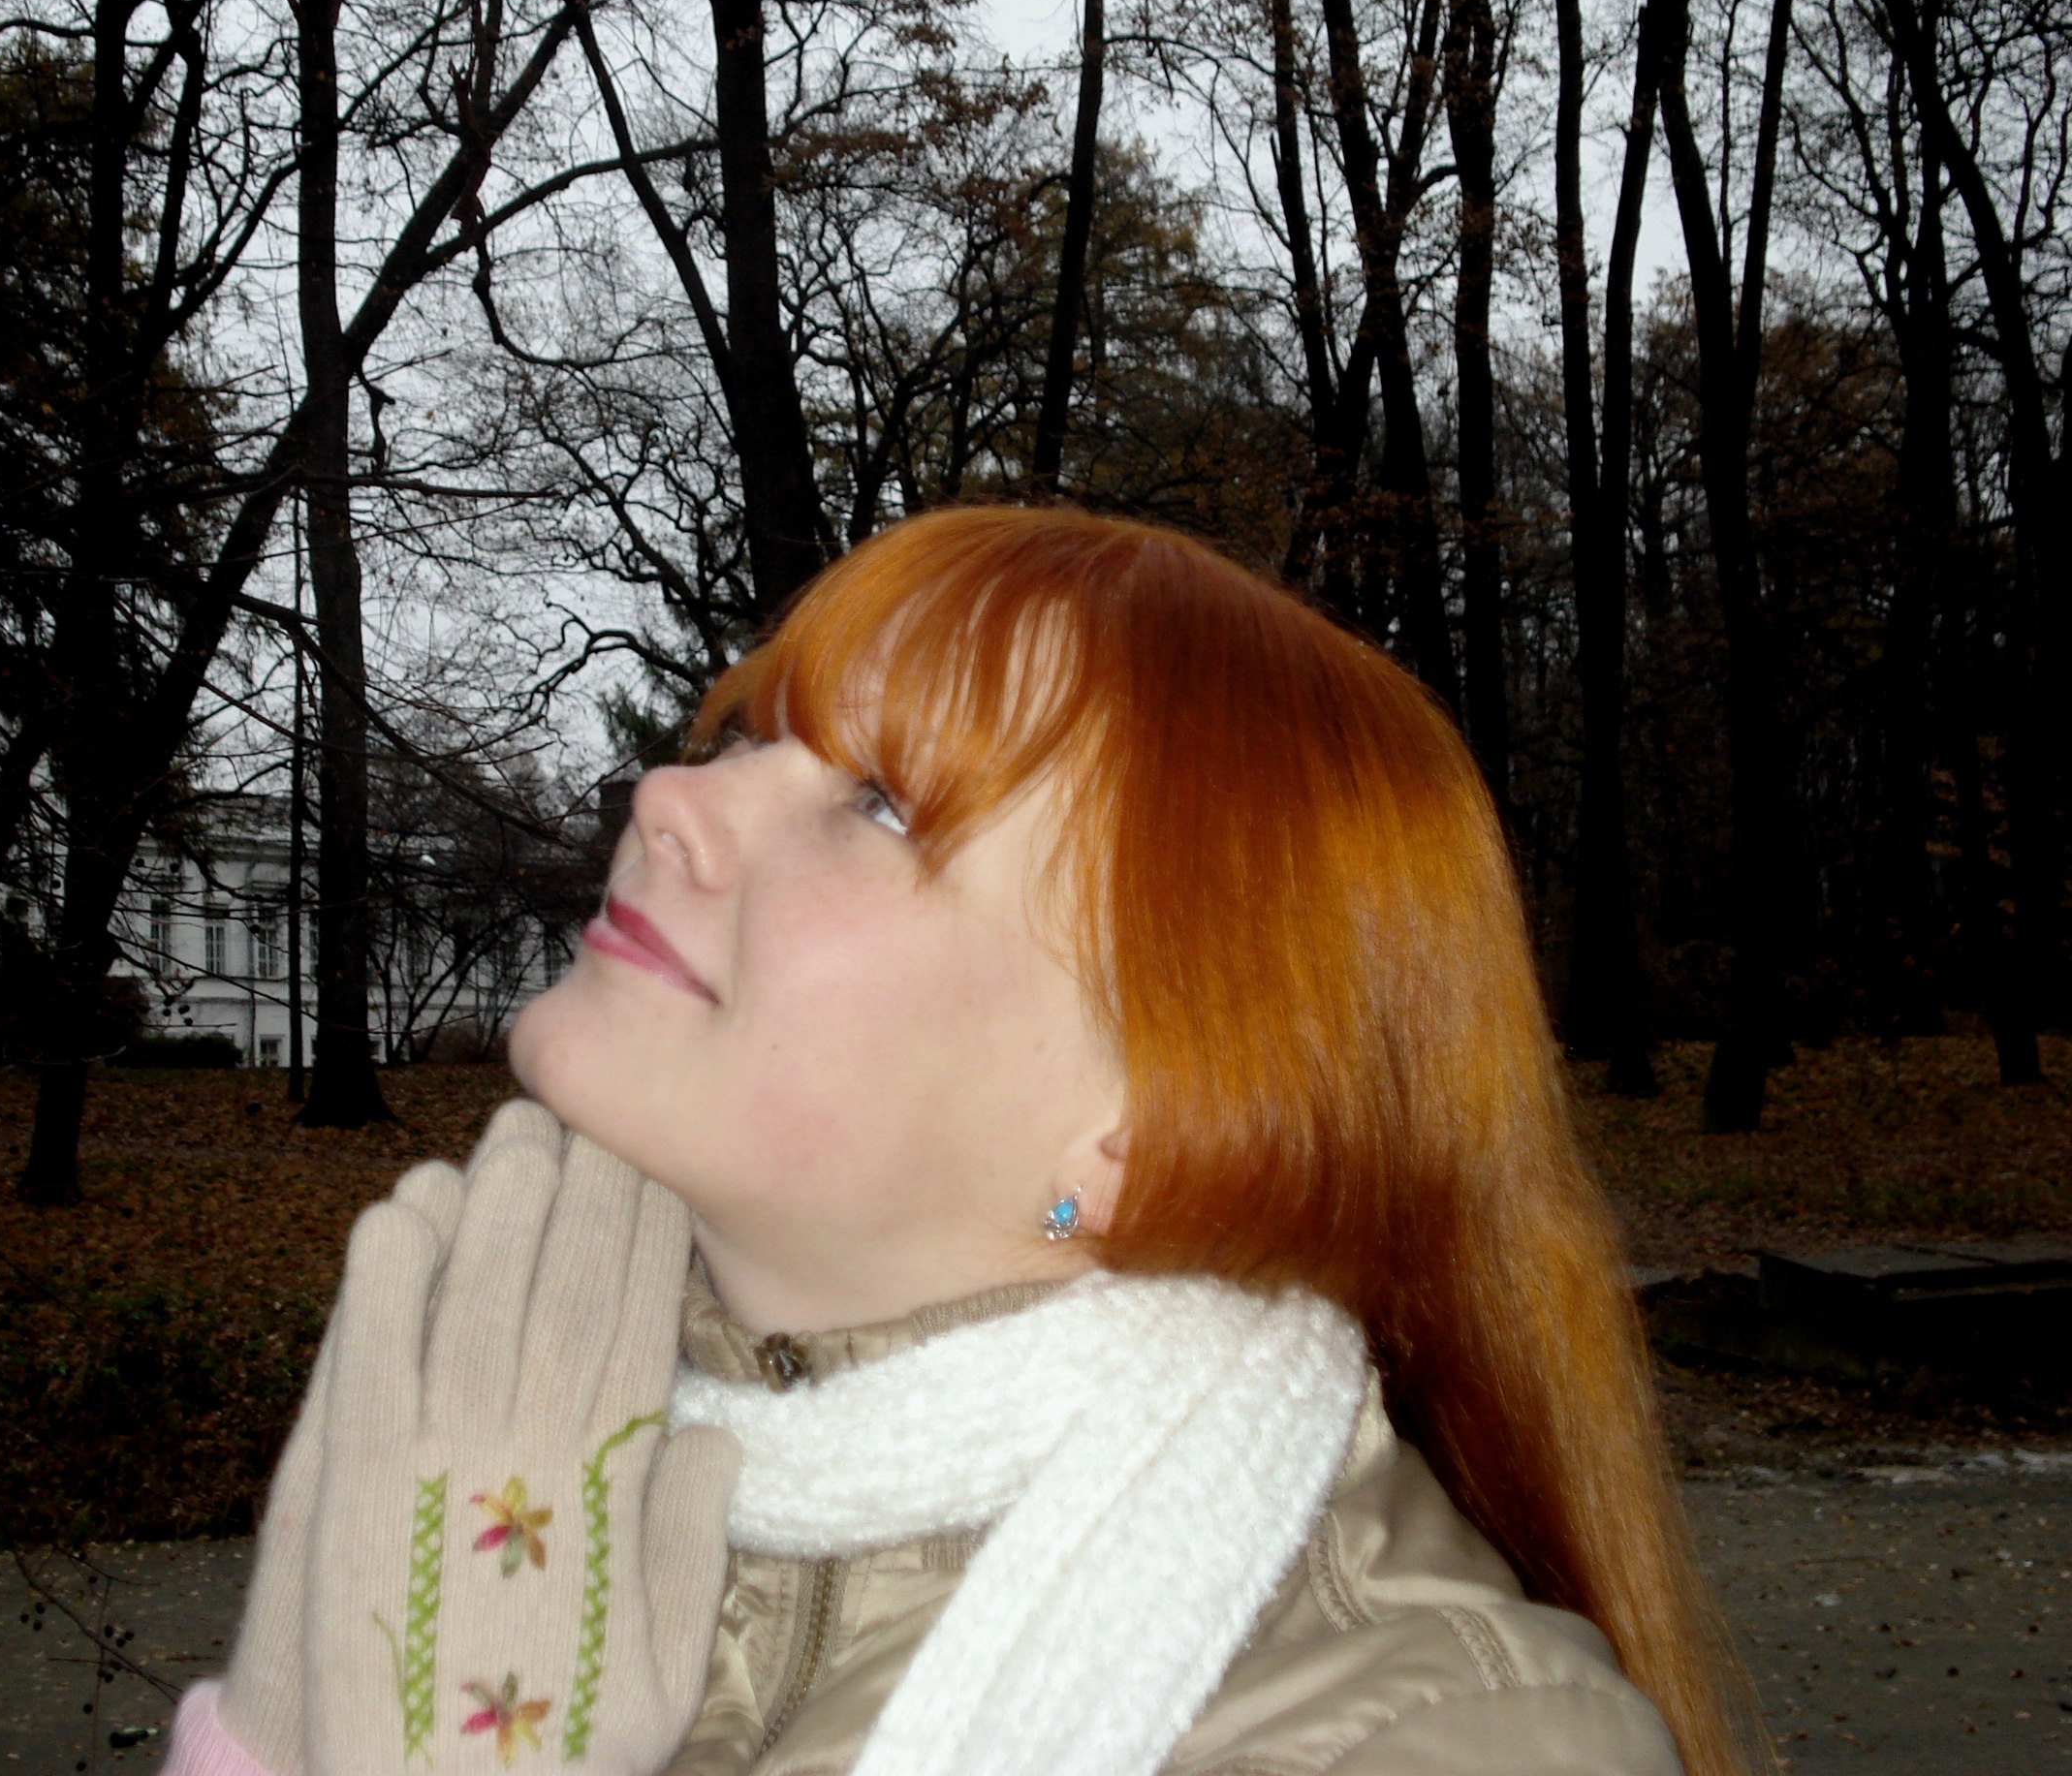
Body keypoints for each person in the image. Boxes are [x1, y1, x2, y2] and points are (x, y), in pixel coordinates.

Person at [164, 507, 1758, 1776]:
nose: (668, 798)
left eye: (882, 805)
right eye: (748, 738)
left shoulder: (1440, 1741)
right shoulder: (527, 1503)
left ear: (1149, 1129)